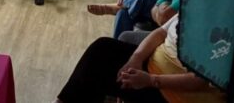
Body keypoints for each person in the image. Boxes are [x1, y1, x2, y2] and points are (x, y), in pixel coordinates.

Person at [54, 14, 225, 103]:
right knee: (102, 50)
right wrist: (136, 58)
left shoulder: (224, 22)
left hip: (173, 93)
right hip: (153, 67)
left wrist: (151, 80)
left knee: (96, 75)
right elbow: (162, 32)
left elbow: (200, 80)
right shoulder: (193, 2)